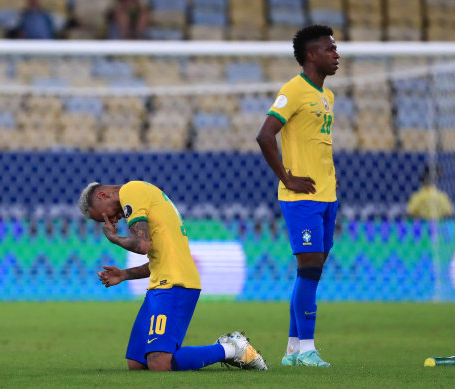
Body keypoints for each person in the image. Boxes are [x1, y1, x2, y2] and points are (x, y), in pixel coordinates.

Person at [78, 180, 267, 372]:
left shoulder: (130, 190)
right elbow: (159, 259)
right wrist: (124, 274)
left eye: (105, 216)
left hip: (175, 283)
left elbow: (142, 245)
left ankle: (231, 348)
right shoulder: (143, 195)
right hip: (160, 283)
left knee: (159, 363)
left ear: (103, 195)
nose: (113, 221)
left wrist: (113, 237)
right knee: (137, 363)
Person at [256, 24, 340, 368]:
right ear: (311, 55)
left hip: (326, 195)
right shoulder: (293, 89)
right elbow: (264, 135)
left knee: (311, 270)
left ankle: (293, 350)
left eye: (336, 49)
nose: (337, 55)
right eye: (330, 49)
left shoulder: (327, 96)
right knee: (309, 268)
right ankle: (307, 348)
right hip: (301, 197)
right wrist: (286, 177)